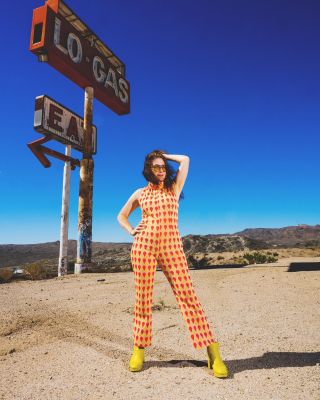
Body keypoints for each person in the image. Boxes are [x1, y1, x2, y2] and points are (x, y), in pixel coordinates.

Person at [117, 150, 228, 378]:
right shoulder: (140, 193)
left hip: (172, 247)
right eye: (156, 167)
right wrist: (131, 230)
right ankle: (139, 349)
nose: (161, 170)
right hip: (144, 246)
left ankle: (213, 352)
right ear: (148, 169)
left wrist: (162, 154)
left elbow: (186, 159)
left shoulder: (173, 188)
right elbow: (121, 215)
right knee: (143, 298)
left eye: (163, 167)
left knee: (188, 296)